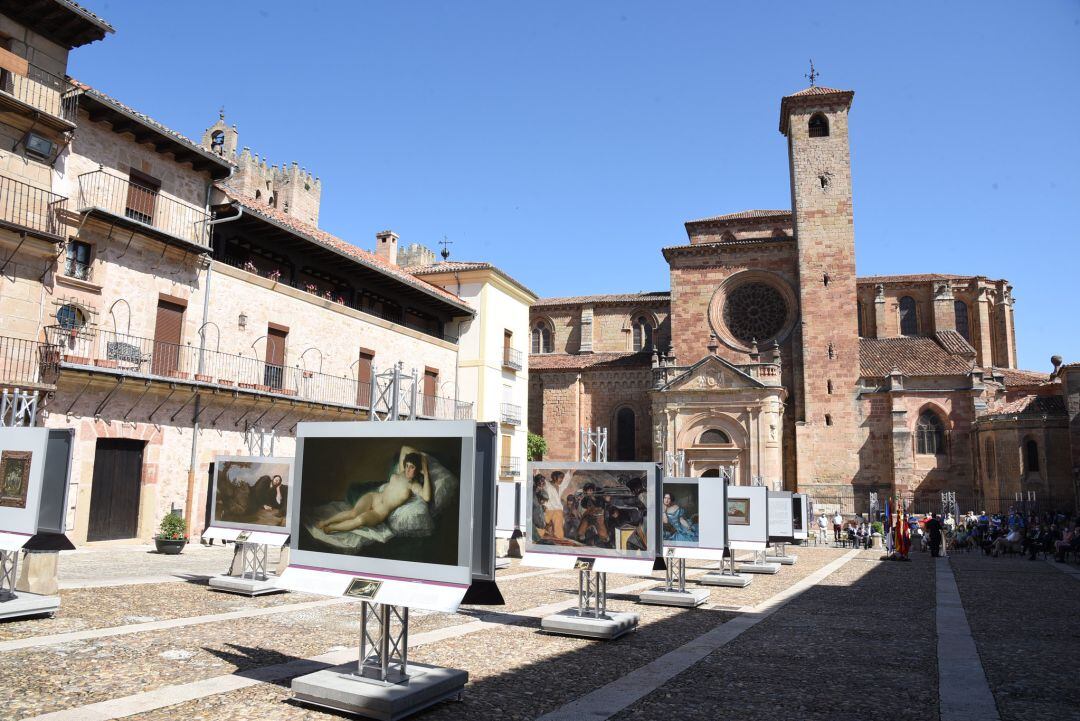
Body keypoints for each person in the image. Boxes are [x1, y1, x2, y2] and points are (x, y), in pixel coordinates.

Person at [316, 449, 431, 533]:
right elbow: (405, 448)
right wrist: (420, 455)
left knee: (360, 520)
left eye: (412, 467)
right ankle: (326, 522)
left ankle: (331, 528)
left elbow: (427, 497)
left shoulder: (413, 485)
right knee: (353, 513)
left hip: (379, 512)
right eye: (407, 465)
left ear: (418, 469)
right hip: (374, 497)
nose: (408, 469)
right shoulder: (401, 471)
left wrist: (425, 470)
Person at [541, 471, 567, 540]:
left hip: (558, 509)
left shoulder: (560, 486)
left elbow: (567, 478)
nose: (561, 480)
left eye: (562, 478)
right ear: (554, 477)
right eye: (560, 478)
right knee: (542, 525)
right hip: (548, 508)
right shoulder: (547, 484)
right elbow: (537, 474)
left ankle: (559, 539)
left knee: (559, 531)